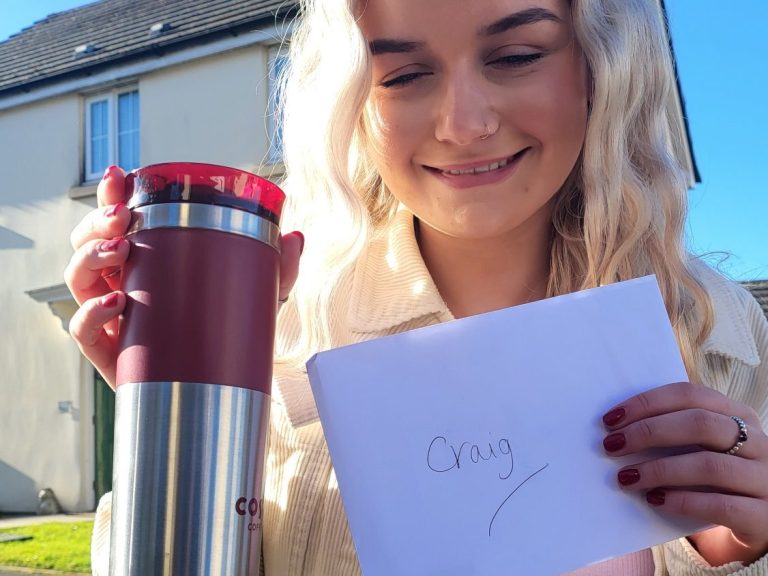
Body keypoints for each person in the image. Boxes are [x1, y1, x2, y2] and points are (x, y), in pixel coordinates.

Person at [66, 0, 768, 574]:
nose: (464, 124)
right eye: (403, 75)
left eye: (517, 56)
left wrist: (745, 549)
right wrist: (169, 427)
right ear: (350, 100)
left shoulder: (723, 334)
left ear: (600, 66)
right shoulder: (278, 329)